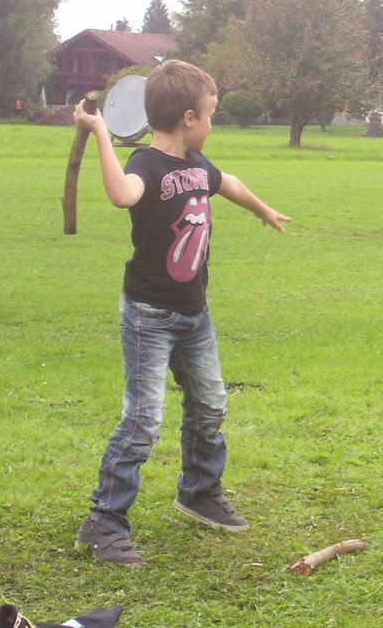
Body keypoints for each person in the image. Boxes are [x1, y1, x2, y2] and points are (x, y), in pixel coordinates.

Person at [72, 60, 291, 566]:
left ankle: (198, 491)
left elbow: (228, 181)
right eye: (211, 115)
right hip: (149, 316)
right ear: (189, 117)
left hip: (195, 313)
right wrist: (102, 132)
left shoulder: (197, 163)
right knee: (143, 420)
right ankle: (103, 522)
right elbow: (121, 195)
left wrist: (261, 209)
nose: (213, 124)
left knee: (210, 405)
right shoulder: (145, 165)